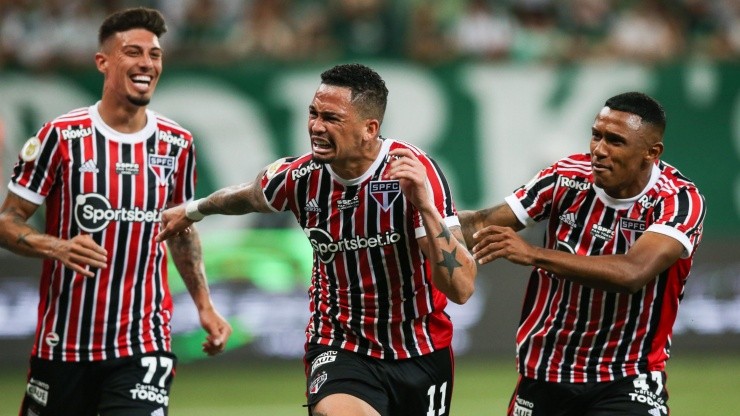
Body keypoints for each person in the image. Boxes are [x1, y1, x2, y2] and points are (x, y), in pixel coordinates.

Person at [156, 63, 477, 416]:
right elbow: (244, 196)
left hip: (421, 350)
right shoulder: (300, 177)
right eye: (313, 113)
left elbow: (461, 288)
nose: (316, 126)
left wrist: (425, 207)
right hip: (340, 345)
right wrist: (193, 210)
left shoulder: (414, 172)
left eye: (332, 118)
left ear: (369, 128)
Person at [0, 7, 232, 416]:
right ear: (103, 62)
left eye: (155, 54)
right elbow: (7, 222)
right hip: (64, 342)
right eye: (133, 52)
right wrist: (56, 247)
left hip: (143, 341)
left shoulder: (177, 143)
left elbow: (180, 229)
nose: (146, 63)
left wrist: (203, 304)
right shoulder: (61, 137)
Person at [459, 91, 706, 416]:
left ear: (651, 152)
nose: (599, 150)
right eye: (596, 135)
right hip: (545, 371)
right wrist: (421, 214)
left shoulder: (678, 201)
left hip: (627, 376)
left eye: (615, 141)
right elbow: (480, 223)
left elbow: (633, 272)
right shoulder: (566, 178)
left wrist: (534, 254)